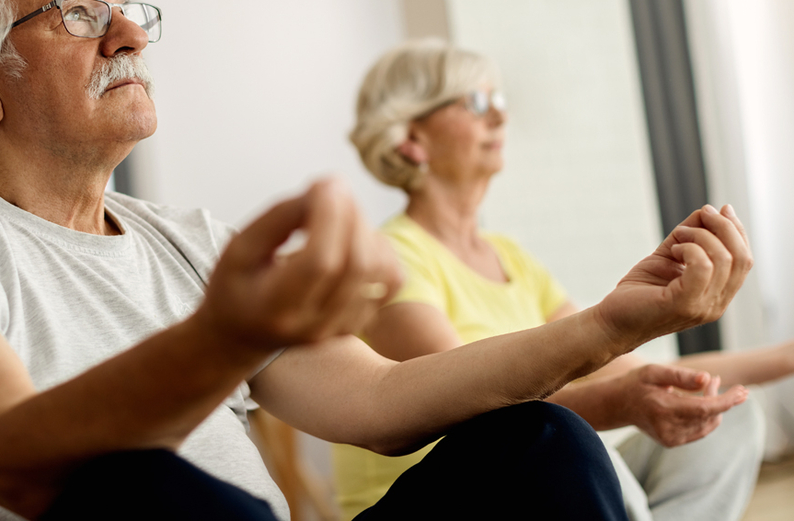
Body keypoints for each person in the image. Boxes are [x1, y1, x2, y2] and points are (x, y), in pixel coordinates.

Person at [0, 0, 753, 521]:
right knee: (138, 487)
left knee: (539, 444)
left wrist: (609, 324)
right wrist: (225, 336)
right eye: (79, 17)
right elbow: (6, 455)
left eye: (129, 15)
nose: (128, 37)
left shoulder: (188, 239)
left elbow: (380, 401)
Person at [336, 38, 788, 520]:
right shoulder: (389, 258)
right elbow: (478, 413)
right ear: (411, 137)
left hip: (543, 470)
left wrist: (783, 358)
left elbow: (617, 371)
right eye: (475, 102)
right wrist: (623, 402)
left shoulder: (511, 257)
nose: (500, 118)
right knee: (575, 446)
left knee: (728, 417)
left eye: (499, 101)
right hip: (454, 498)